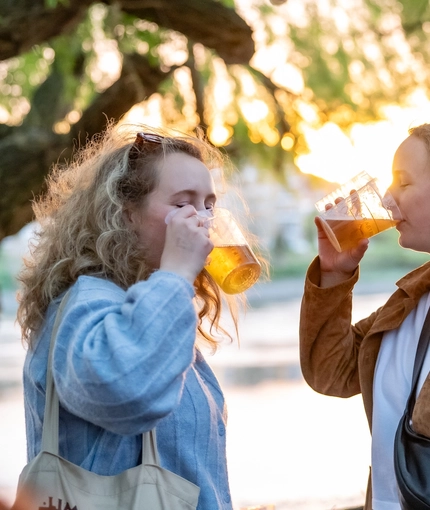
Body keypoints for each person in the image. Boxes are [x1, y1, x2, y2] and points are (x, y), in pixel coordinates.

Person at [17, 122, 263, 510]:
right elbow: (129, 391)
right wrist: (176, 273)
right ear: (126, 214)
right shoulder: (88, 303)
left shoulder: (150, 303)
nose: (202, 218)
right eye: (182, 203)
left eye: (209, 203)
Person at [299, 122, 430, 510]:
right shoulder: (411, 298)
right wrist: (335, 273)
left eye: (403, 183)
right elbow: (331, 371)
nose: (388, 198)